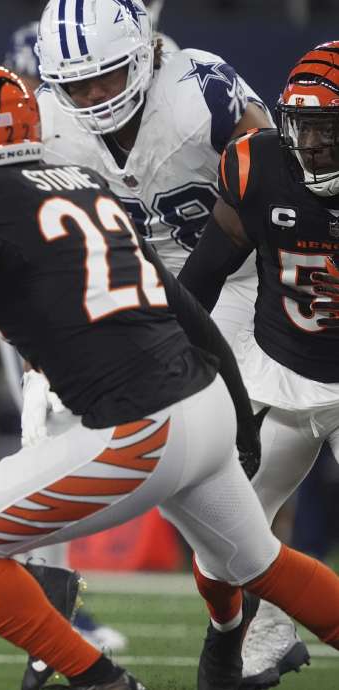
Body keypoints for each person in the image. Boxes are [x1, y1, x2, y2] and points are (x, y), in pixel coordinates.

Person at [0, 61, 339, 690]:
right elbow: (185, 306)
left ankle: (100, 679)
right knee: (261, 564)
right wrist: (238, 414)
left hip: (139, 429)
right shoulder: (83, 180)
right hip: (204, 400)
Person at [15, 1, 275, 680]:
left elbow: (275, 183)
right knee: (43, 428)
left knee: (239, 464)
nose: (96, 97)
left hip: (235, 281)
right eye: (79, 84)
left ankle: (239, 623)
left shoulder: (203, 93)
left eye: (108, 78)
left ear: (144, 55)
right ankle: (52, 636)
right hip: (119, 291)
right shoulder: (42, 121)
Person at [178, 41, 339, 690]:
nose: (314, 146)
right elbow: (203, 276)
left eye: (329, 131)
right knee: (224, 537)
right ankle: (260, 630)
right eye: (303, 129)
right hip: (282, 371)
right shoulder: (257, 167)